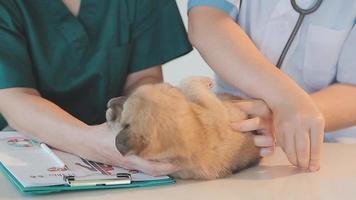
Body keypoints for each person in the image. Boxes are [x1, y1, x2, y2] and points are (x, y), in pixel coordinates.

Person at [0, 0, 192, 175]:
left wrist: (144, 122)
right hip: (21, 150)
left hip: (117, 149)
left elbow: (144, 77)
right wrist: (93, 143)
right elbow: (13, 98)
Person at [188, 0, 356, 172]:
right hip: (233, 135)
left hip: (329, 151)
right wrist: (285, 99)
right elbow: (206, 23)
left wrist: (288, 115)